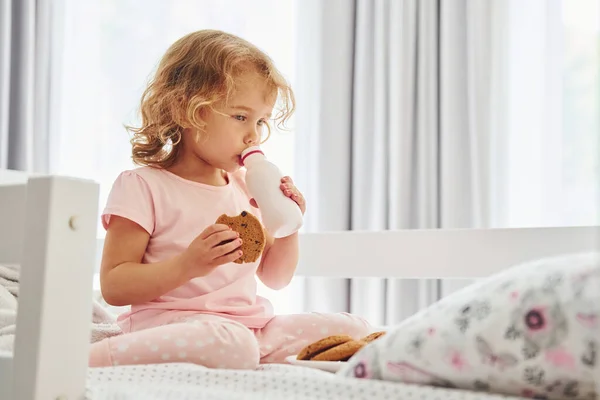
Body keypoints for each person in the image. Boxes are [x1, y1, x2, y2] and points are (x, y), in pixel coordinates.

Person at [88, 30, 371, 370]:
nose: (253, 134)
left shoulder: (245, 187)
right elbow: (115, 286)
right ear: (186, 109)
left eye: (261, 121)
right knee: (234, 344)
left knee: (353, 327)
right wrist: (187, 265)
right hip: (170, 326)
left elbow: (275, 278)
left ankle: (389, 353)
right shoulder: (143, 185)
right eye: (240, 117)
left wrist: (289, 225)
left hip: (249, 328)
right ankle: (87, 361)